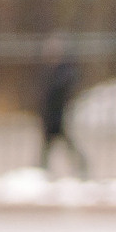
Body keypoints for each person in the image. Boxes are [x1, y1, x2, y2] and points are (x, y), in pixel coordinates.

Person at [38, 36, 88, 177]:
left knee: (61, 143)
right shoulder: (53, 70)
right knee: (51, 145)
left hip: (58, 114)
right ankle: (42, 167)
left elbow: (58, 92)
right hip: (51, 114)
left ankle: (81, 164)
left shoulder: (64, 71)